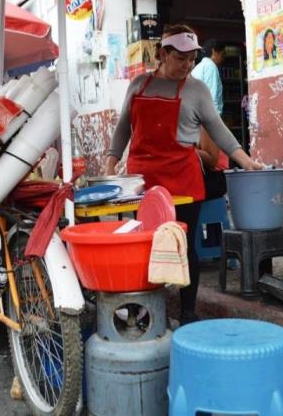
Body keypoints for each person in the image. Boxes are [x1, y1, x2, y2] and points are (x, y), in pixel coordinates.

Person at [104, 24, 264, 325]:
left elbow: (220, 131)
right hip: (143, 181)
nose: (188, 65)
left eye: (192, 59)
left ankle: (188, 313)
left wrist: (246, 161)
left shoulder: (196, 90)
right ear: (163, 54)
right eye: (181, 58)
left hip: (183, 179)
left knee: (183, 245)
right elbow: (123, 128)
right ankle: (146, 310)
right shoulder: (138, 85)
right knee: (146, 244)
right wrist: (111, 166)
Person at [191, 39, 226, 114]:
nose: (223, 58)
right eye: (222, 54)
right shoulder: (210, 66)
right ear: (214, 52)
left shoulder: (201, 66)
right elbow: (212, 97)